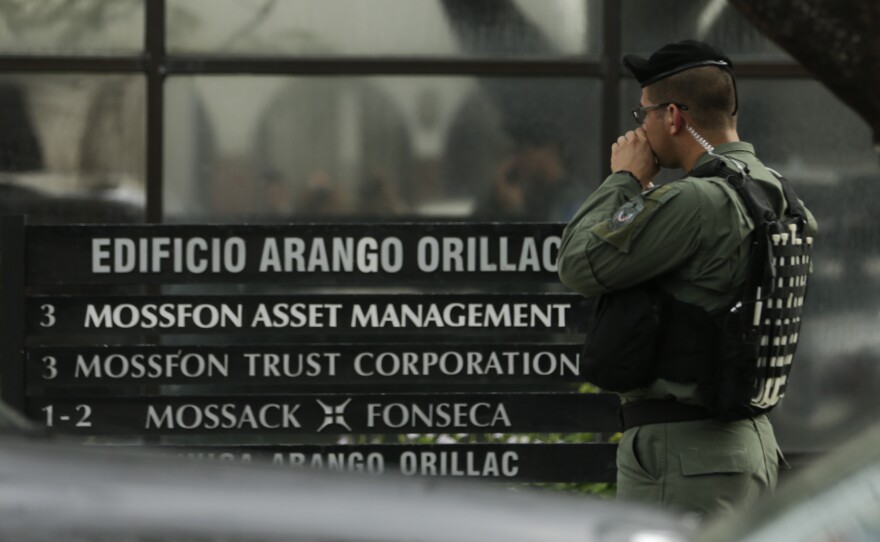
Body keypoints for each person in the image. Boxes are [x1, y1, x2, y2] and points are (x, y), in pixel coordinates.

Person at [556, 40, 818, 517]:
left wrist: (625, 181)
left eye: (643, 116)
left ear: (673, 116)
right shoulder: (777, 192)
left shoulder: (697, 202)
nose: (640, 129)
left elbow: (576, 262)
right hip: (747, 445)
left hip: (683, 456)